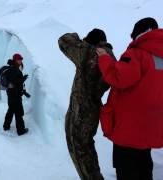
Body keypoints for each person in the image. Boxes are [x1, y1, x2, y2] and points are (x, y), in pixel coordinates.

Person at [96, 17, 163, 180]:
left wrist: (104, 58)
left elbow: (118, 78)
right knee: (144, 164)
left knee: (126, 169)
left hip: (128, 128)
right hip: (150, 126)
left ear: (137, 33)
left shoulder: (137, 53)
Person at [58, 29, 115, 180]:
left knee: (79, 149)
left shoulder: (89, 53)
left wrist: (82, 41)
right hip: (92, 108)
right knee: (86, 146)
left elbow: (63, 40)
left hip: (81, 110)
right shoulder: (109, 56)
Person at [3, 53, 30, 136]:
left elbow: (15, 82)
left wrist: (22, 80)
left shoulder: (13, 68)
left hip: (11, 94)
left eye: (21, 59)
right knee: (19, 113)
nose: (20, 60)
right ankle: (21, 130)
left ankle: (6, 126)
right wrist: (22, 79)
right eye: (19, 59)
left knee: (11, 110)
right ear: (15, 60)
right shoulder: (14, 69)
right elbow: (15, 82)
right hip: (15, 95)